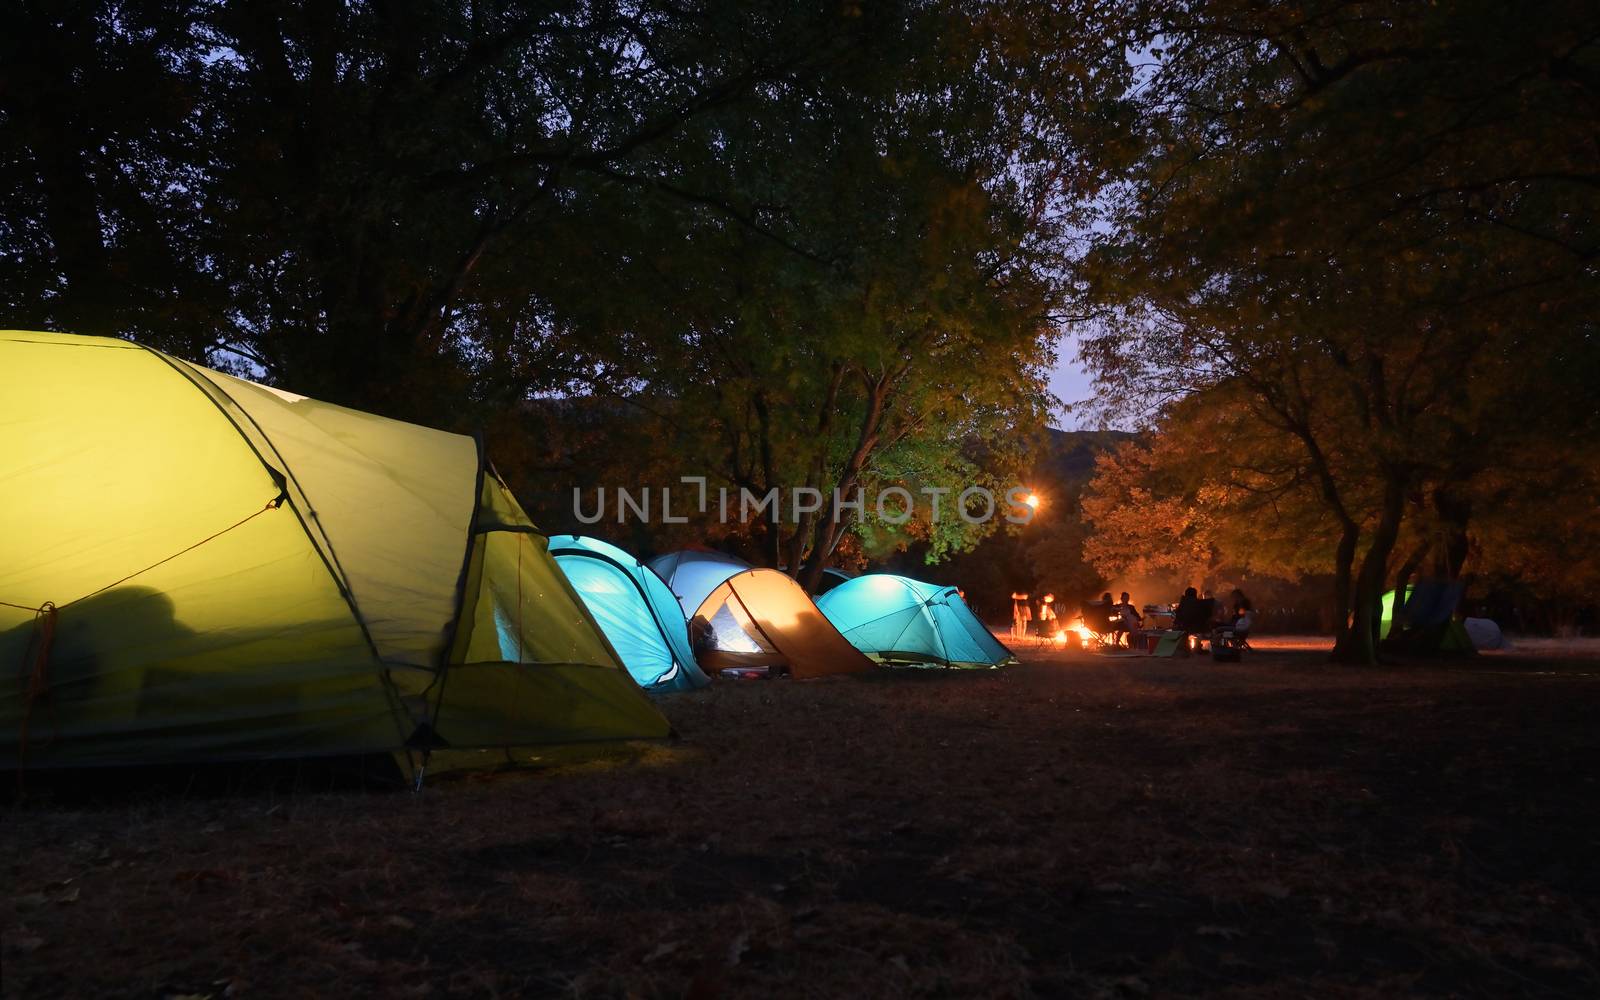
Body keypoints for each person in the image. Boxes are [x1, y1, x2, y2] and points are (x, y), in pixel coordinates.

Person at [1174, 586, 1206, 655]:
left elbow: (1178, 614)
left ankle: (1186, 647)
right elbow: (1202, 615)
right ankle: (1197, 647)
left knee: (1185, 631)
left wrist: (1177, 622)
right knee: (1199, 629)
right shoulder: (1197, 603)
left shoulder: (1183, 602)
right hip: (1195, 626)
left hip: (1183, 625)